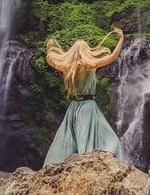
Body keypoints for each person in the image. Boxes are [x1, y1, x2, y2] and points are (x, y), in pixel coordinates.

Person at [42, 28, 125, 166]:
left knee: (73, 137)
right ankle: (86, 166)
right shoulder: (91, 66)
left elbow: (51, 61)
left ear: (73, 52)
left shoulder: (67, 67)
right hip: (88, 106)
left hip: (74, 107)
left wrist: (49, 50)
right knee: (93, 137)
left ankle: (69, 165)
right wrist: (121, 39)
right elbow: (113, 57)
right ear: (86, 51)